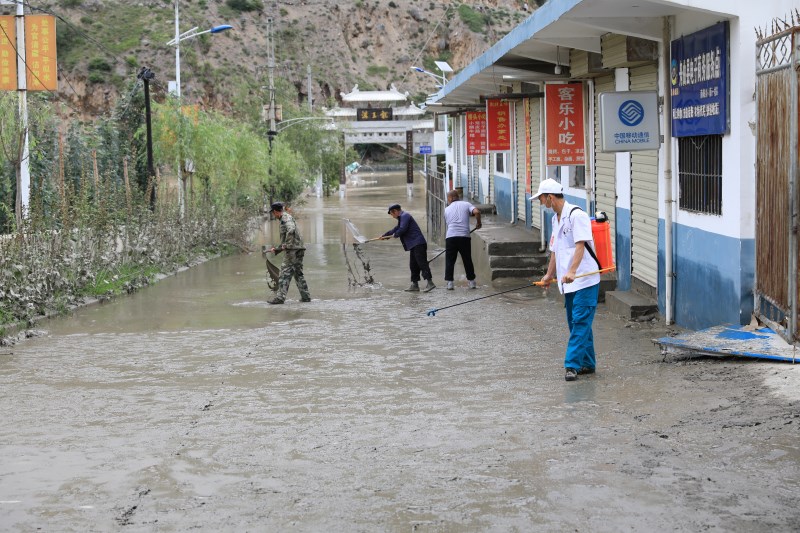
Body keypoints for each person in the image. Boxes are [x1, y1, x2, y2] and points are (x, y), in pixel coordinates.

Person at [532, 178, 601, 381]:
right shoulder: (556, 219)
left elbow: (580, 246)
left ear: (550, 197)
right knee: (576, 323)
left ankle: (571, 365)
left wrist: (571, 271)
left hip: (584, 280)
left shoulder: (576, 215)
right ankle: (588, 363)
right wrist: (548, 275)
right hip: (568, 282)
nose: (540, 202)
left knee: (580, 321)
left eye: (541, 198)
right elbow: (555, 250)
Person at [379, 204, 435, 292]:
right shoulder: (401, 219)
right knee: (413, 265)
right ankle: (415, 285)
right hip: (413, 245)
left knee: (422, 263)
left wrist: (395, 235)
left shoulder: (405, 216)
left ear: (395, 211)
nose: (392, 216)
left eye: (391, 214)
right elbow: (396, 229)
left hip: (418, 243)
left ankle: (430, 283)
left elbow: (402, 229)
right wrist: (385, 236)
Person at [266, 202, 311, 304]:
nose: (273, 215)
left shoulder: (285, 218)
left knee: (284, 273)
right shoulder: (286, 217)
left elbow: (291, 230)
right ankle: (306, 297)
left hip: (293, 250)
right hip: (299, 248)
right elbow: (287, 238)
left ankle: (280, 298)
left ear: (275, 212)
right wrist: (277, 249)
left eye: (273, 213)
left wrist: (287, 245)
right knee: (298, 273)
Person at [443, 190, 482, 289]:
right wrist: (478, 223)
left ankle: (450, 283)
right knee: (467, 259)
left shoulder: (446, 209)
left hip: (451, 237)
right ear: (457, 197)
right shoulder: (466, 204)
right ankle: (472, 282)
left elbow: (448, 224)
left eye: (448, 198)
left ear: (450, 198)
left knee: (450, 260)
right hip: (464, 236)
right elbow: (477, 212)